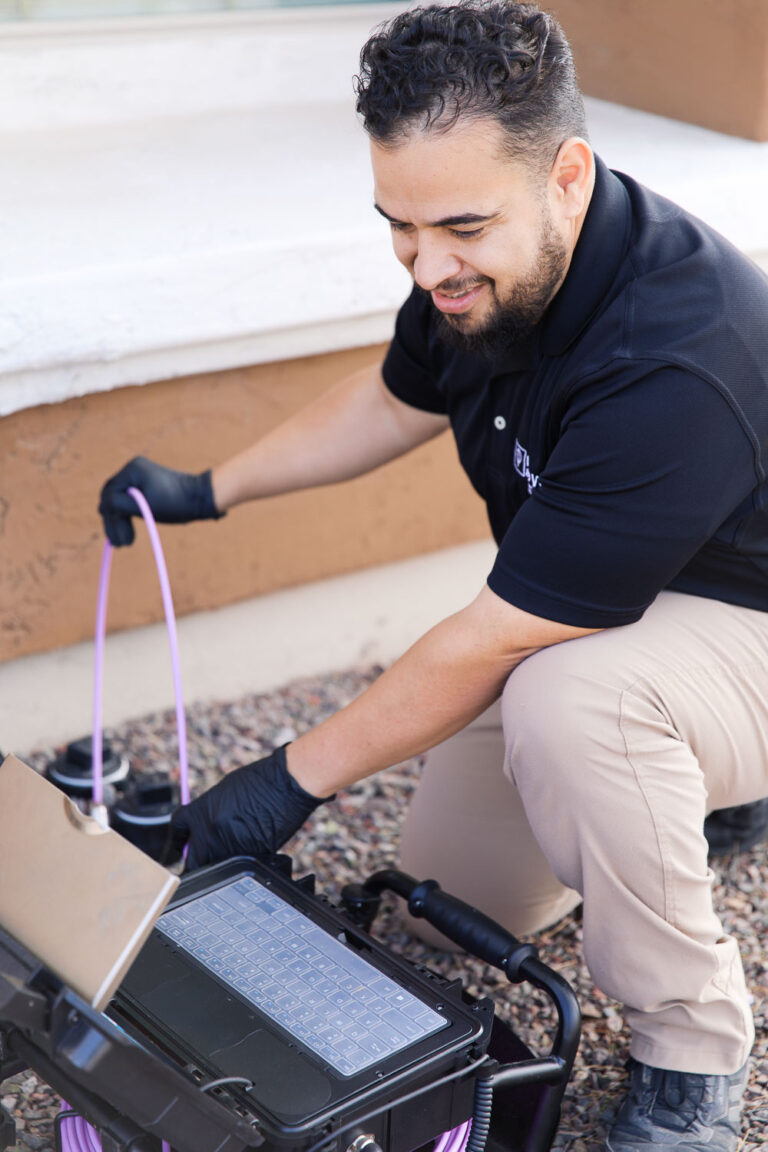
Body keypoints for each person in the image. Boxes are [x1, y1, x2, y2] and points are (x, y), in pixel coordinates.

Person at [99, 4, 768, 1148]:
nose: (427, 264)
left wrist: (282, 783)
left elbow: (497, 638)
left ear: (568, 175)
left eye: (458, 227)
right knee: (443, 907)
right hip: (610, 605)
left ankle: (690, 1056)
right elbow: (392, 398)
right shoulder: (480, 266)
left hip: (740, 621)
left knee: (573, 702)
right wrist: (210, 487)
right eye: (397, 227)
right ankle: (687, 799)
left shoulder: (676, 354)